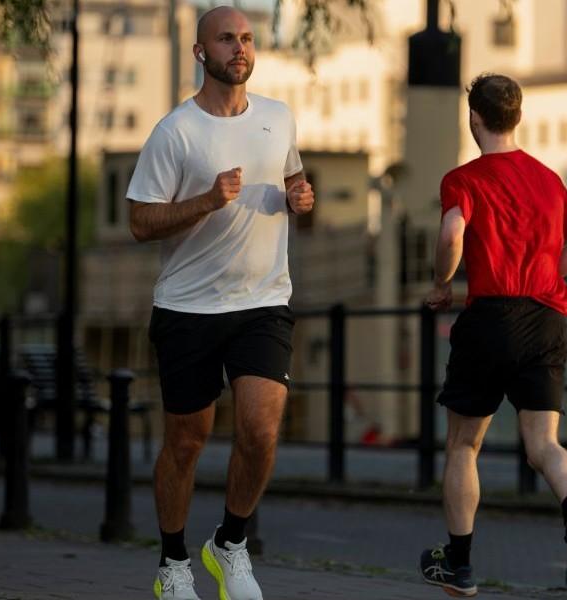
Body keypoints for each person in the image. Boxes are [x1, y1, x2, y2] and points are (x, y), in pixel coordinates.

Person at [125, 6, 314, 600]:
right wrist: (206, 201)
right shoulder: (174, 132)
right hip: (187, 308)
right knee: (188, 440)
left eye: (248, 39)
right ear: (201, 52)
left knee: (260, 430)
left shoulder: (278, 117)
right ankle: (173, 562)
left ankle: (230, 544)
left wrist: (300, 196)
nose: (240, 48)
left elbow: (292, 180)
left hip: (263, 301)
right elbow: (139, 221)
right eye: (227, 39)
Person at [419, 73, 567, 597]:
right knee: (544, 444)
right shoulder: (549, 179)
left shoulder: (464, 179)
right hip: (545, 319)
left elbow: (453, 232)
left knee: (463, 446)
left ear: (474, 118)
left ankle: (459, 566)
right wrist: (544, 276)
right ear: (516, 117)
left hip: (490, 318)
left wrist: (441, 285)